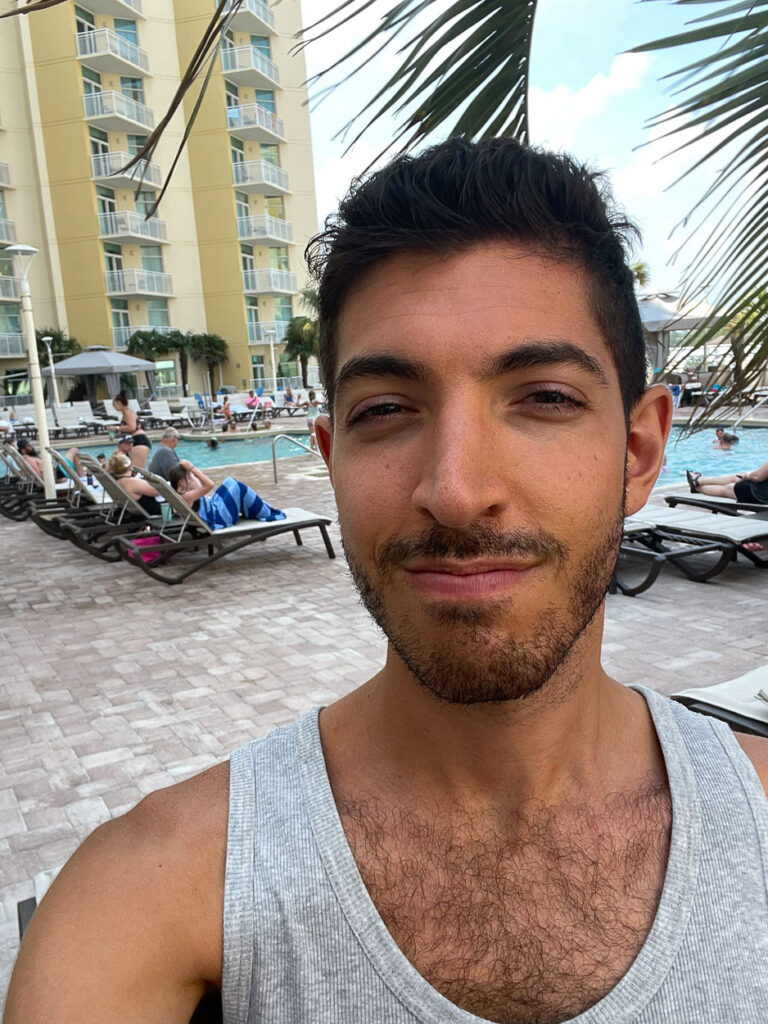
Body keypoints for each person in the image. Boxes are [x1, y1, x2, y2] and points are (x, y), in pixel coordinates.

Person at [7, 138, 768, 1024]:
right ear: (333, 461)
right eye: (387, 411)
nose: (454, 490)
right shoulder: (148, 895)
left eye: (544, 398)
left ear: (637, 452)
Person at [168, 462, 284, 528]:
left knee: (230, 482)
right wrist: (192, 468)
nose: (191, 479)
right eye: (188, 478)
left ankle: (257, 510)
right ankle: (265, 512)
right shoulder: (187, 497)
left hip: (214, 510)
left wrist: (188, 474)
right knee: (236, 486)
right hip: (219, 518)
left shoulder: (180, 495)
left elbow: (200, 487)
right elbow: (209, 484)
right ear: (181, 482)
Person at [106, 451, 163, 517]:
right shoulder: (131, 482)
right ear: (129, 467)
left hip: (137, 512)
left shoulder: (117, 482)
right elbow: (157, 491)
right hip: (157, 512)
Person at [687, 461, 768, 504]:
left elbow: (757, 477)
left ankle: (697, 487)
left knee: (729, 488)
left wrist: (747, 475)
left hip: (761, 495)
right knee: (737, 477)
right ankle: (698, 481)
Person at [112, 390, 151, 469]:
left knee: (137, 472)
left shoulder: (129, 412)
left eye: (114, 404)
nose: (113, 406)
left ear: (119, 402)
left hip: (139, 441)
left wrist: (116, 428)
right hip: (134, 441)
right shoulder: (125, 413)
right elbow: (128, 429)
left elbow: (132, 427)